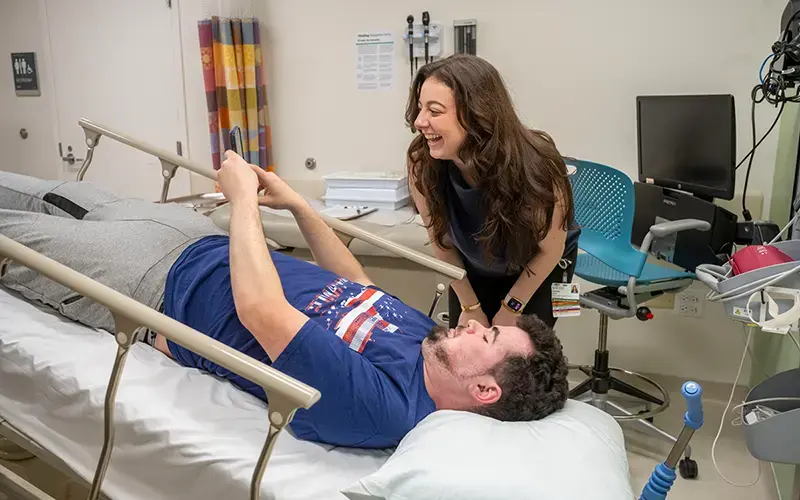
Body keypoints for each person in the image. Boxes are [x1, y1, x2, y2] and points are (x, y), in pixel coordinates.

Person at [0, 159, 569, 449]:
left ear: (485, 390)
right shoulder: (433, 345)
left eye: (487, 339)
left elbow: (261, 313)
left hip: (151, 281)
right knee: (24, 187)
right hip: (190, 236)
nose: (473, 325)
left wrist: (243, 199)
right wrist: (297, 205)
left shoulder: (387, 407)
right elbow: (357, 285)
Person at [405, 54, 581, 330]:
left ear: (476, 114)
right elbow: (441, 241)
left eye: (434, 111)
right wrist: (470, 307)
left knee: (522, 357)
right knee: (468, 348)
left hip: (542, 265)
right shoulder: (422, 162)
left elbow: (551, 249)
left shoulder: (538, 163)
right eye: (420, 108)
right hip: (473, 266)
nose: (419, 121)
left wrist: (512, 307)